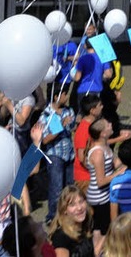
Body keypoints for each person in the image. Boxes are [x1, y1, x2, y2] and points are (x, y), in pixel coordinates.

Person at [39, 89, 76, 224]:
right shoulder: (47, 115)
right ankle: (52, 217)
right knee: (56, 188)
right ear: (56, 96)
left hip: (69, 154)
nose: (67, 96)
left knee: (69, 186)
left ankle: (69, 213)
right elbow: (45, 140)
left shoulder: (68, 111)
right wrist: (61, 125)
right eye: (65, 94)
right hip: (55, 155)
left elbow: (72, 129)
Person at [86, 119, 125, 236]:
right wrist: (117, 174)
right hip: (99, 198)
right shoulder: (98, 153)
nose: (111, 124)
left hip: (106, 194)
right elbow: (100, 181)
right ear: (102, 133)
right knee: (104, 231)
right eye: (108, 125)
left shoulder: (105, 145)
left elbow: (112, 166)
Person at [48, 185, 94, 257]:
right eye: (72, 205)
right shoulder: (61, 238)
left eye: (81, 201)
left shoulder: (86, 223)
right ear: (64, 210)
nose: (79, 208)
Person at [74, 95, 104, 193]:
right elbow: (82, 157)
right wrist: (97, 171)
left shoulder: (92, 126)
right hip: (85, 178)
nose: (102, 107)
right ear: (92, 110)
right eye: (99, 105)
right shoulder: (84, 129)